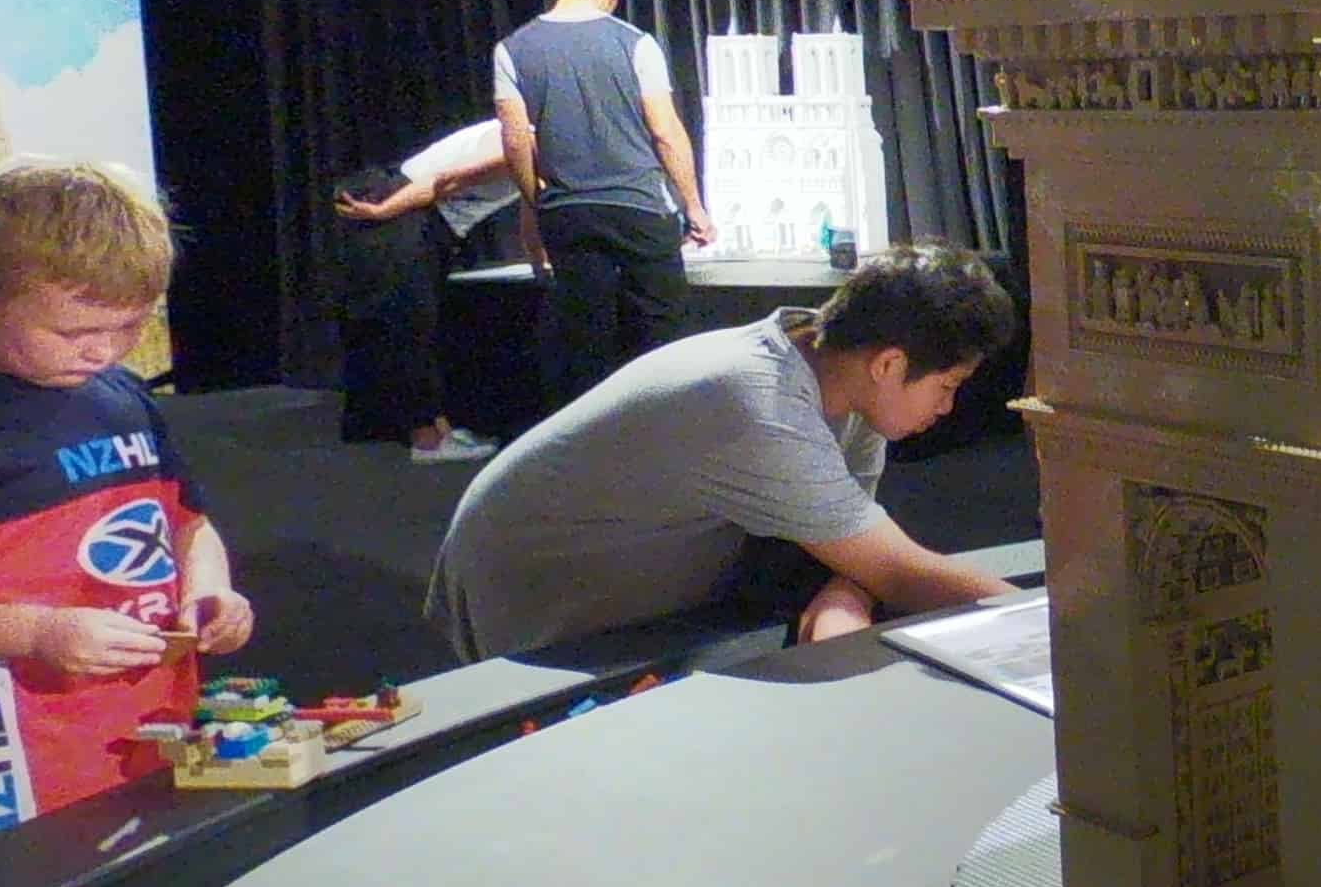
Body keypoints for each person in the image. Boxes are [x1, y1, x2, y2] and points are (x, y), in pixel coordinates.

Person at [0, 163, 256, 847]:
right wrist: (35, 635)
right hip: (11, 755)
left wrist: (211, 591)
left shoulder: (123, 397)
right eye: (72, 332)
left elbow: (188, 521)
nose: (103, 350)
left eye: (129, 327)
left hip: (147, 724)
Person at [430, 243, 1023, 660]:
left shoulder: (848, 383)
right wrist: (1055, 623)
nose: (948, 407)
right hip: (536, 578)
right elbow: (897, 571)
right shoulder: (757, 403)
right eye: (948, 385)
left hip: (637, 558)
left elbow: (858, 552)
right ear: (889, 364)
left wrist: (847, 595)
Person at [496, 0, 712, 416]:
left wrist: (537, 201)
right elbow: (665, 131)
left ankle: (587, 439)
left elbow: (515, 141)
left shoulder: (511, 49)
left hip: (567, 210)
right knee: (664, 332)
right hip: (639, 207)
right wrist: (694, 205)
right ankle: (669, 430)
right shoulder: (635, 43)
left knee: (583, 339)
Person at [330, 119, 517, 460]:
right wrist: (383, 210)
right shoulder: (520, 141)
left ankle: (435, 426)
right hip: (402, 203)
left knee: (416, 321)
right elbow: (442, 182)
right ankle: (426, 440)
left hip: (414, 211)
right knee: (411, 323)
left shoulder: (527, 141)